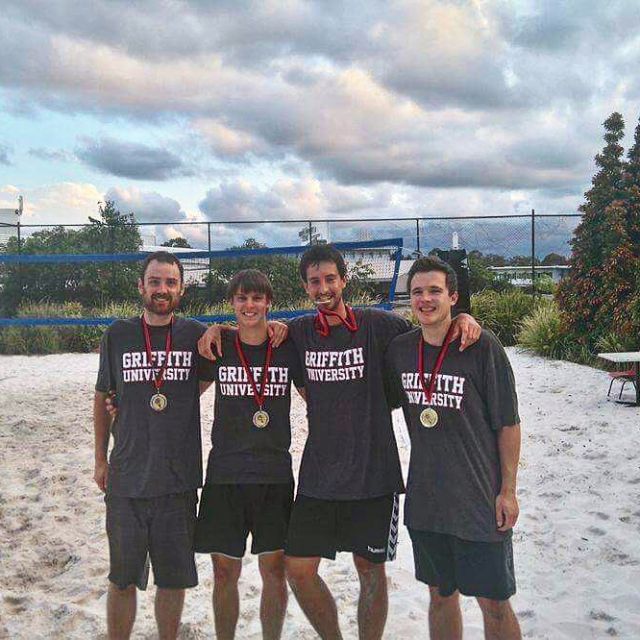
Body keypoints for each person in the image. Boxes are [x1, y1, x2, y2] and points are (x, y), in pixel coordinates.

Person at [199, 244, 481, 640]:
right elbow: (253, 331)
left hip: (374, 474)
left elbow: (430, 331)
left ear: (344, 280)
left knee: (370, 572)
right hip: (319, 476)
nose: (323, 287)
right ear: (306, 287)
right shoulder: (297, 331)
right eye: (315, 281)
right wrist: (219, 329)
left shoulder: (378, 325)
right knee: (298, 568)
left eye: (330, 278)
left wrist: (464, 316)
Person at [385, 256, 522, 640]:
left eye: (434, 291)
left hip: (478, 500)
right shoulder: (400, 350)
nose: (425, 299)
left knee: (494, 602)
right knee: (440, 595)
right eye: (417, 292)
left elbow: (508, 424)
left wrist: (508, 490)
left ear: (453, 296)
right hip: (427, 501)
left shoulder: (480, 346)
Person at [93, 251, 211, 640]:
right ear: (141, 286)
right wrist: (100, 461)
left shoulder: (195, 334)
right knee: (122, 579)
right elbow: (101, 398)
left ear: (182, 288)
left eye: (171, 282)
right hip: (127, 477)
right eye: (155, 282)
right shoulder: (118, 334)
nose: (163, 290)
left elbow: (244, 335)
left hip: (177, 482)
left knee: (172, 581)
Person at [195, 269, 305, 640]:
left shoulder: (286, 346)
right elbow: (184, 393)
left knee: (274, 571)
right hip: (225, 473)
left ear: (268, 303)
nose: (249, 305)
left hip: (273, 474)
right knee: (225, 572)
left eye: (257, 298)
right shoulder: (220, 345)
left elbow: (317, 396)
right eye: (242, 298)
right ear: (232, 303)